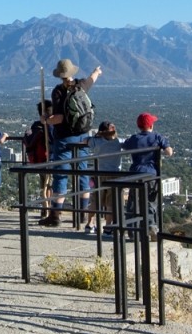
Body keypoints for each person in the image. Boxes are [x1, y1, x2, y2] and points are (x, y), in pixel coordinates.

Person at [39, 58, 102, 227]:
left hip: (64, 139)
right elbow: (91, 80)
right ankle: (81, 213)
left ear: (60, 75)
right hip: (83, 137)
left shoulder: (58, 92)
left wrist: (46, 120)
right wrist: (96, 71)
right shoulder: (81, 86)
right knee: (82, 174)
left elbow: (59, 118)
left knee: (61, 175)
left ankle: (55, 215)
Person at [122, 112, 173, 228]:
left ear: (138, 126)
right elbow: (169, 152)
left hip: (135, 173)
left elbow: (124, 146)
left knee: (134, 201)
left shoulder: (134, 138)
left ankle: (131, 228)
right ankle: (151, 227)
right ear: (151, 126)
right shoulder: (157, 137)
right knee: (151, 201)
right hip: (151, 174)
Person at [84, 122, 124, 235]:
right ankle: (107, 227)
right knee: (110, 202)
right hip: (114, 174)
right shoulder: (119, 142)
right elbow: (128, 144)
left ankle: (90, 224)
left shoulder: (96, 141)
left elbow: (86, 140)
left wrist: (94, 137)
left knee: (95, 200)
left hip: (98, 173)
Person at [22, 99, 53, 220]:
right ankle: (48, 209)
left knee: (43, 185)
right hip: (47, 159)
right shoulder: (48, 127)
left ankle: (45, 209)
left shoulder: (35, 126)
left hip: (38, 160)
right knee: (49, 185)